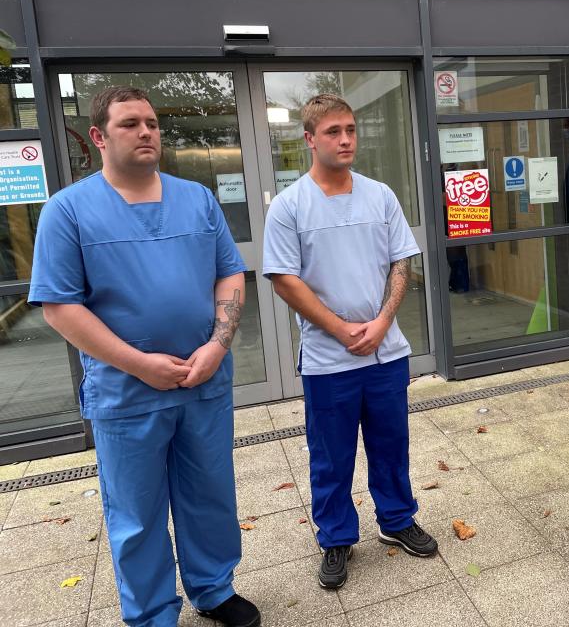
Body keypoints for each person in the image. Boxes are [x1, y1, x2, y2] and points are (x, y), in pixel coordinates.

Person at [28, 86, 260, 627]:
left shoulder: (196, 199)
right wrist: (139, 363)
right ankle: (153, 613)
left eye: (152, 123)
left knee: (209, 493)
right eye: (130, 123)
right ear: (98, 137)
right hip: (127, 393)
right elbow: (60, 308)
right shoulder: (69, 211)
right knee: (136, 513)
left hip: (202, 380)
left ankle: (213, 588)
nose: (146, 131)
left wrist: (216, 344)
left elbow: (229, 273)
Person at [262, 93, 437, 590]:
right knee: (331, 456)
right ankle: (336, 537)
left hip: (385, 351)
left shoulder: (379, 195)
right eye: (334, 131)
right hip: (327, 358)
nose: (345, 140)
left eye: (351, 130)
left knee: (390, 445)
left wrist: (382, 321)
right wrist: (340, 329)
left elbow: (401, 261)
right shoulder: (291, 206)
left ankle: (398, 520)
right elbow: (283, 279)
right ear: (309, 138)